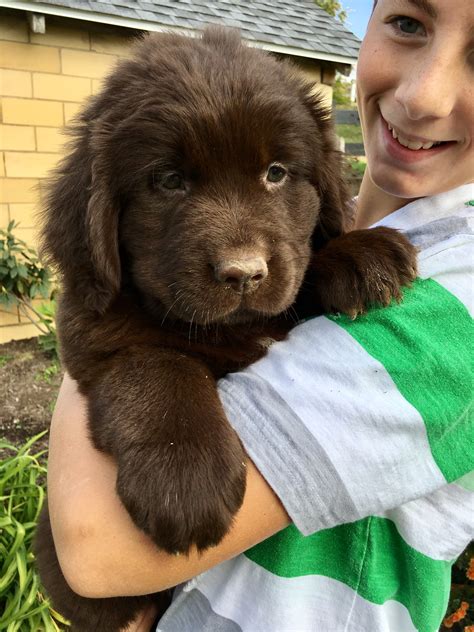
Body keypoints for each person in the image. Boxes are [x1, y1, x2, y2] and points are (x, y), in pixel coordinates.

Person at [46, 0, 473, 630]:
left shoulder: (454, 301)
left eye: (276, 172)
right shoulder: (351, 225)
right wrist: (149, 378)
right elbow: (95, 313)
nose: (244, 258)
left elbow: (99, 552)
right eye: (169, 182)